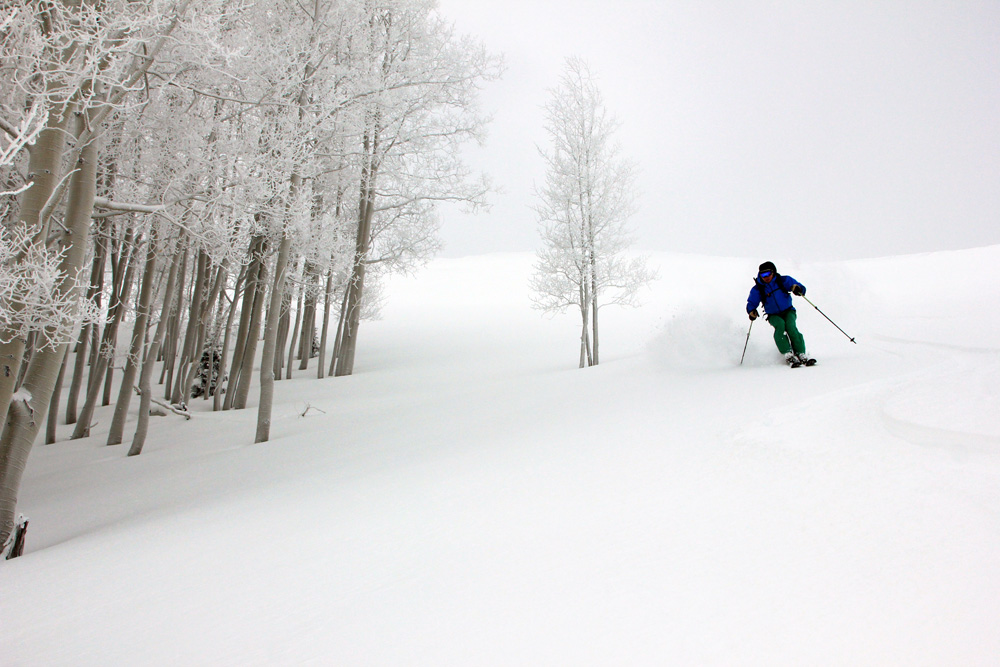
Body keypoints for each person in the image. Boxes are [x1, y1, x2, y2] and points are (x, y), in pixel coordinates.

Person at [746, 261, 815, 366]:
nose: (766, 277)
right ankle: (788, 353)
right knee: (780, 326)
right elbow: (752, 302)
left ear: (773, 272)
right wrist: (752, 311)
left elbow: (798, 286)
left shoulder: (782, 281)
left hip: (788, 311)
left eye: (768, 274)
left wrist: (797, 289)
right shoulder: (758, 289)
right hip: (773, 315)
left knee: (791, 327)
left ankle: (800, 353)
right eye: (763, 274)